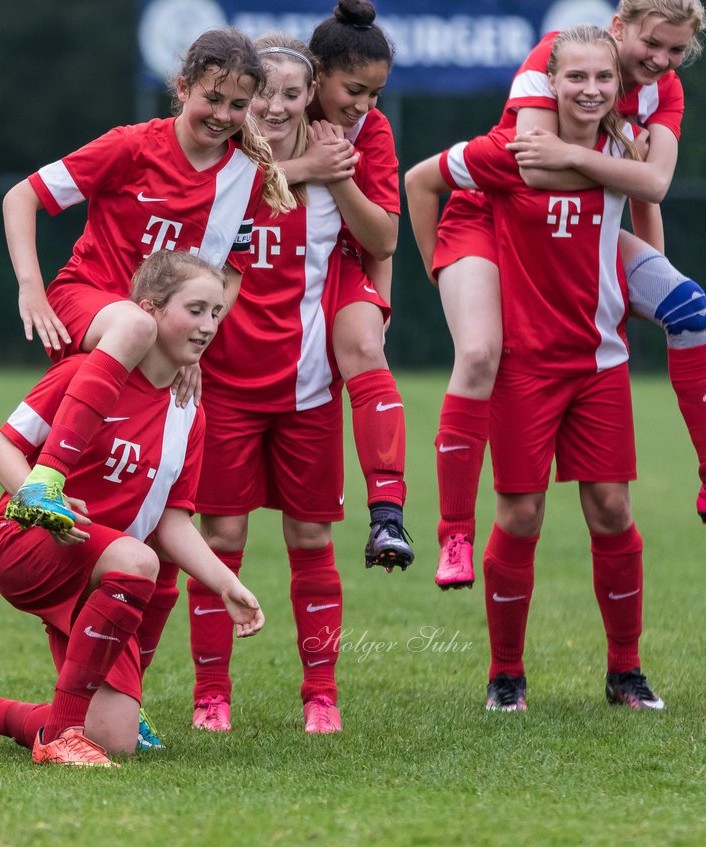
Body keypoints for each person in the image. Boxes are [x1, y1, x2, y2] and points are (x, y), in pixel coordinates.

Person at [406, 25, 665, 713]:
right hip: (524, 364)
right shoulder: (510, 152)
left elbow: (648, 203)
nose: (590, 89)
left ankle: (626, 672)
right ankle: (506, 676)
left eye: (603, 79)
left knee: (612, 510)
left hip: (599, 358)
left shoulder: (627, 151)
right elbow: (421, 182)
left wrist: (650, 287)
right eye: (575, 78)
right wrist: (446, 271)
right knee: (521, 516)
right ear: (548, 85)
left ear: (620, 86)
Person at [0, 251, 265, 766]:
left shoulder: (189, 411)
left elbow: (172, 521)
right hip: (26, 543)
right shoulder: (84, 373)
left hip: (106, 572)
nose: (208, 325)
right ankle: (59, 737)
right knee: (138, 561)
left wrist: (225, 583)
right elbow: (2, 449)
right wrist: (44, 504)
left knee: (113, 738)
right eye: (195, 310)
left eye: (216, 313)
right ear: (148, 310)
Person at [430, 0, 706, 592]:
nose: (660, 59)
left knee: (690, 310)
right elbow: (532, 168)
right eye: (651, 43)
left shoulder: (663, 93)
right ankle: (454, 530)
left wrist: (646, 274)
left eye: (676, 50)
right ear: (619, 27)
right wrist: (440, 265)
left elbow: (650, 188)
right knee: (479, 354)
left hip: (580, 216)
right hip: (492, 213)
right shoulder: (554, 56)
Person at [0, 28, 293, 536]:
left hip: (161, 335)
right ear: (182, 88)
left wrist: (194, 351)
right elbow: (22, 196)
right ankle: (43, 480)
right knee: (136, 326)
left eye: (238, 104)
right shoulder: (132, 145)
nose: (223, 115)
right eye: (212, 98)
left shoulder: (248, 173)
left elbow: (227, 273)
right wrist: (30, 287)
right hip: (86, 301)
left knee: (146, 519)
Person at [179, 33, 358, 736]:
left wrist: (325, 169)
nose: (275, 106)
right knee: (219, 532)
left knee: (311, 535)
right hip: (221, 388)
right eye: (264, 94)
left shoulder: (332, 177)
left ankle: (321, 693)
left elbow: (383, 239)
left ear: (310, 99)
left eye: (292, 93)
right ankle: (210, 694)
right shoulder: (219, 175)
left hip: (309, 390)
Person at [298, 0, 412, 572]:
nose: (364, 105)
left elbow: (383, 239)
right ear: (315, 73)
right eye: (353, 89)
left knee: (366, 345)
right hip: (261, 273)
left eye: (375, 94)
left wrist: (337, 171)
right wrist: (304, 164)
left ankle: (388, 516)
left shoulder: (372, 132)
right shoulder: (270, 111)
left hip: (338, 271)